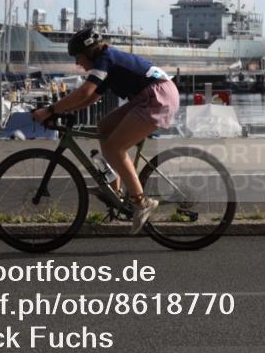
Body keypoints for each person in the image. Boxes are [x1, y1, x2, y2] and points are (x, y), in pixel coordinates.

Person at [31, 27, 180, 234]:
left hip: (157, 96)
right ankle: (115, 190)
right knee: (105, 127)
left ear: (90, 52)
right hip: (149, 94)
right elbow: (90, 98)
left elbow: (84, 91)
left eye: (78, 57)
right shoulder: (107, 61)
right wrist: (58, 112)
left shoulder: (105, 59)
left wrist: (49, 110)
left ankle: (141, 201)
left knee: (114, 148)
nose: (77, 63)